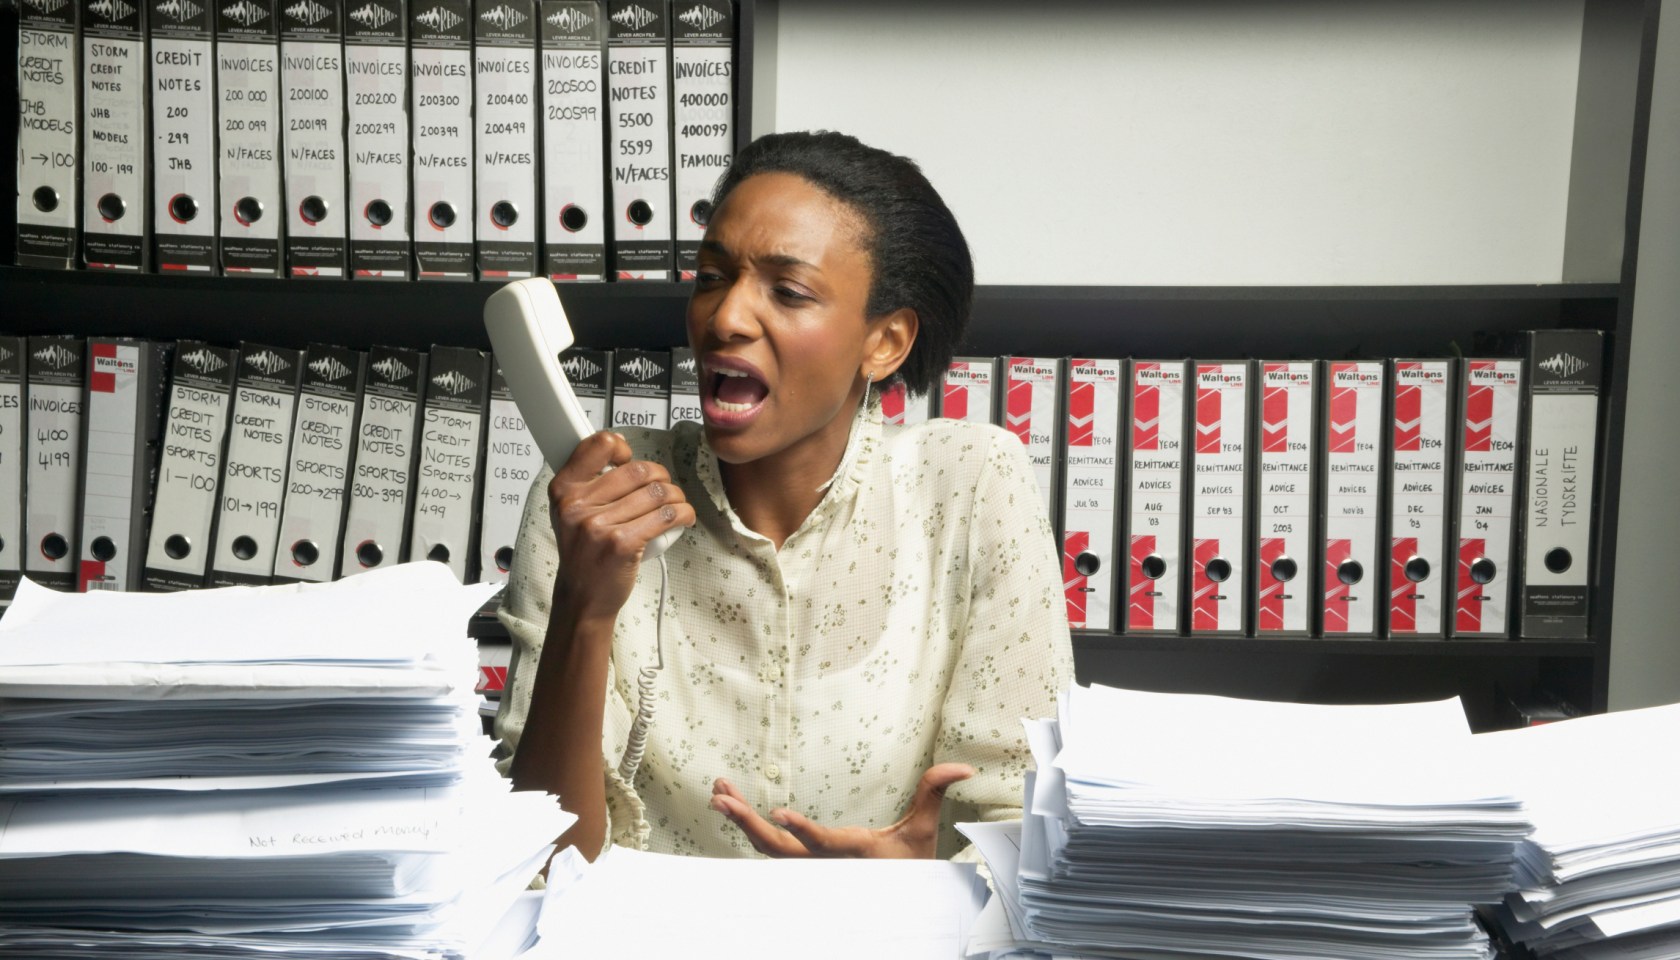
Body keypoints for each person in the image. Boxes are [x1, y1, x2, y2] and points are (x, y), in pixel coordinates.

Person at [494, 130, 1073, 862]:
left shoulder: (970, 482)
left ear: (885, 342)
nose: (726, 318)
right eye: (711, 278)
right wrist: (585, 607)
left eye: (788, 291)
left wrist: (918, 876)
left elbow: (1029, 832)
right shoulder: (594, 499)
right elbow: (544, 864)